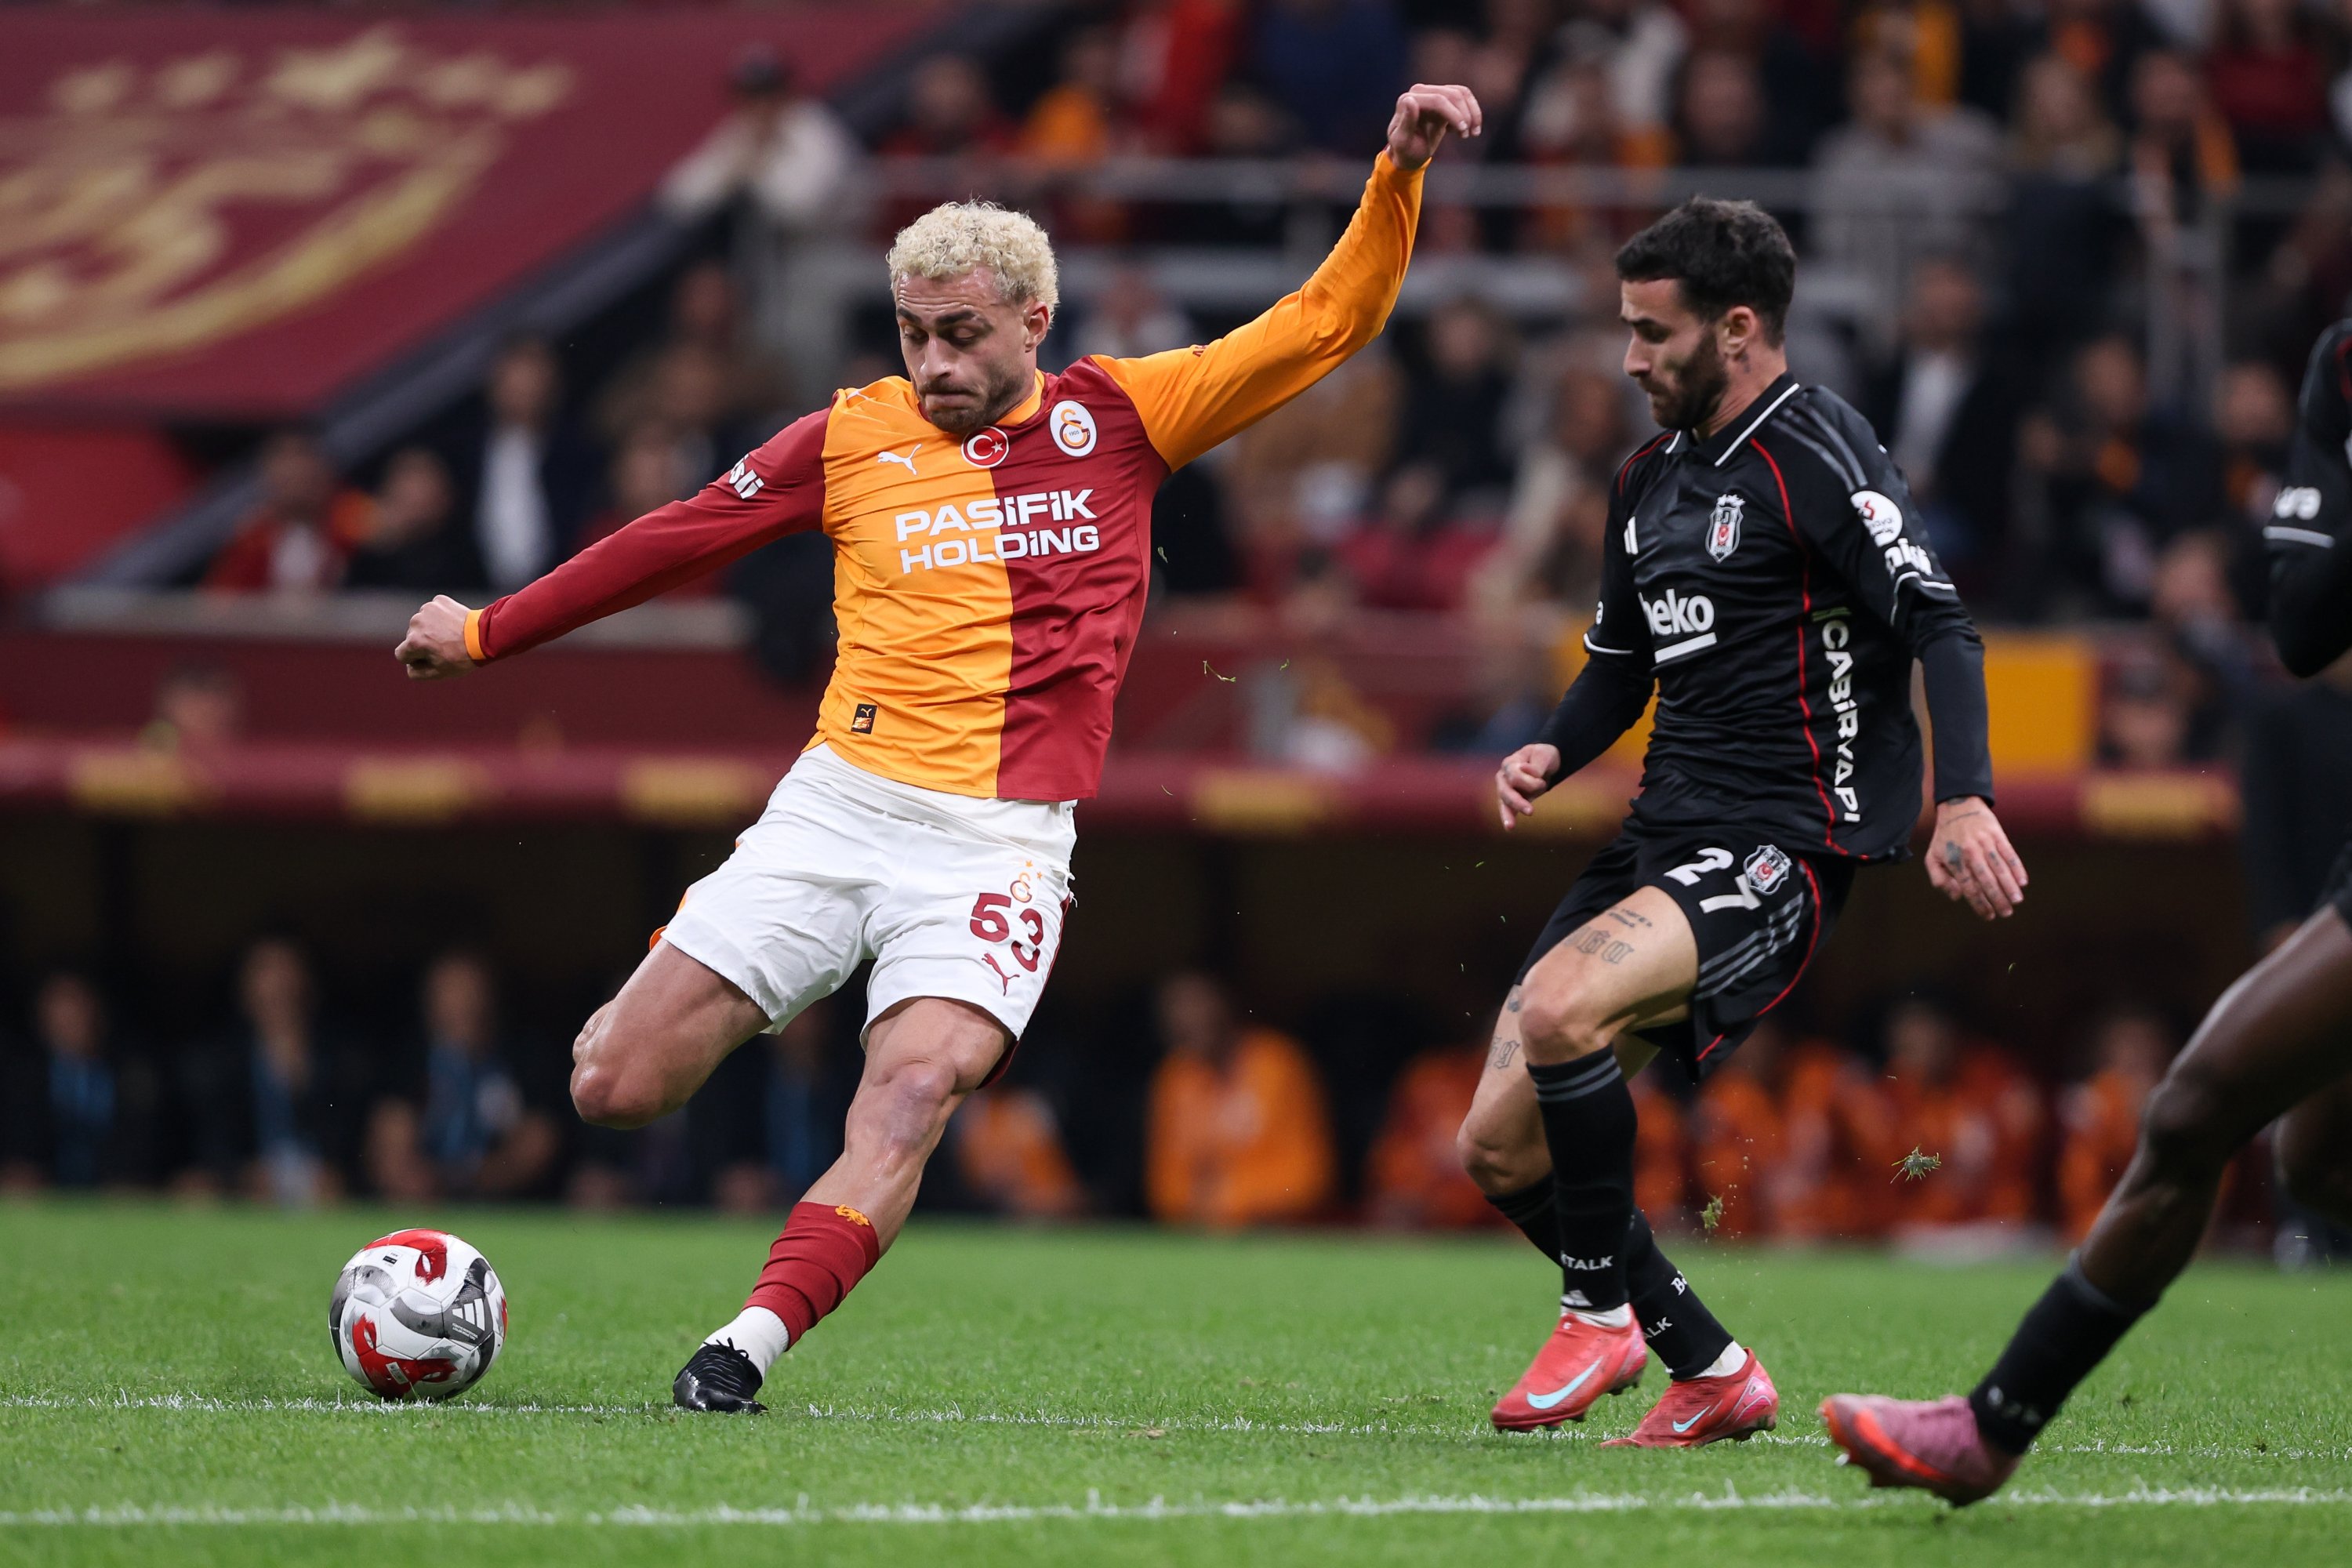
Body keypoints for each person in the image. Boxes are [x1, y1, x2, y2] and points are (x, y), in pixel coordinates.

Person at [391, 83, 1483, 1414]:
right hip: (837, 809)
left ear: (1035, 321)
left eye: (961, 335)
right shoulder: (851, 437)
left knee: (911, 1095)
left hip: (997, 847)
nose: (934, 364)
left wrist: (1395, 173)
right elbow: (675, 538)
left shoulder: (1128, 418)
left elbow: (1326, 322)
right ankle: (668, 983)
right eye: (914, 335)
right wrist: (490, 630)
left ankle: (744, 1348)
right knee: (613, 1085)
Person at [1458, 198, 2021, 1448]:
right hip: (1660, 832)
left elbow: (1940, 620)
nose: (1630, 359)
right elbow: (1622, 665)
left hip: (1782, 841)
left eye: (1653, 334)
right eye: (1626, 329)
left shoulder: (1816, 448)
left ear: (1739, 328)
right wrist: (1555, 745)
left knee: (1560, 1013)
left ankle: (1597, 1313)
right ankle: (1710, 1367)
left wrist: (1967, 794)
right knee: (1496, 1150)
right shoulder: (1644, 481)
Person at [1820, 315, 2352, 1504]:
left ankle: (1988, 1427)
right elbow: (2304, 625)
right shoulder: (2341, 367)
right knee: (2319, 1159)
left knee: (2196, 1105)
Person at [1145, 972, 1336, 1229]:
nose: (1186, 1019)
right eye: (1175, 1012)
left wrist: (1230, 1199)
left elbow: (1309, 1175)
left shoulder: (1278, 1065)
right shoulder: (1175, 1077)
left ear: (1225, 1005)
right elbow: (1165, 1185)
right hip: (1199, 1232)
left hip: (1279, 1230)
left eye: (1198, 1006)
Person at [367, 952, 561, 1203]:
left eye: (472, 990)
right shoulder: (407, 1062)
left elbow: (539, 1141)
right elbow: (390, 1139)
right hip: (423, 1202)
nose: (464, 1004)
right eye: (451, 990)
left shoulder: (525, 1058)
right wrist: (417, 1179)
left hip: (502, 1201)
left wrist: (473, 1181)